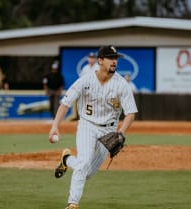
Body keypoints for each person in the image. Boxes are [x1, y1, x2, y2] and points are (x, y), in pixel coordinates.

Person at [48, 45, 138, 209]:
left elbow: (131, 113)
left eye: (116, 58)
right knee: (83, 165)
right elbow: (65, 103)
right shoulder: (85, 80)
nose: (114, 61)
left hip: (108, 131)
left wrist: (121, 133)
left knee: (88, 173)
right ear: (100, 60)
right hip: (87, 126)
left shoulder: (122, 85)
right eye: (111, 58)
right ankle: (73, 203)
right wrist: (55, 126)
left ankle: (67, 159)